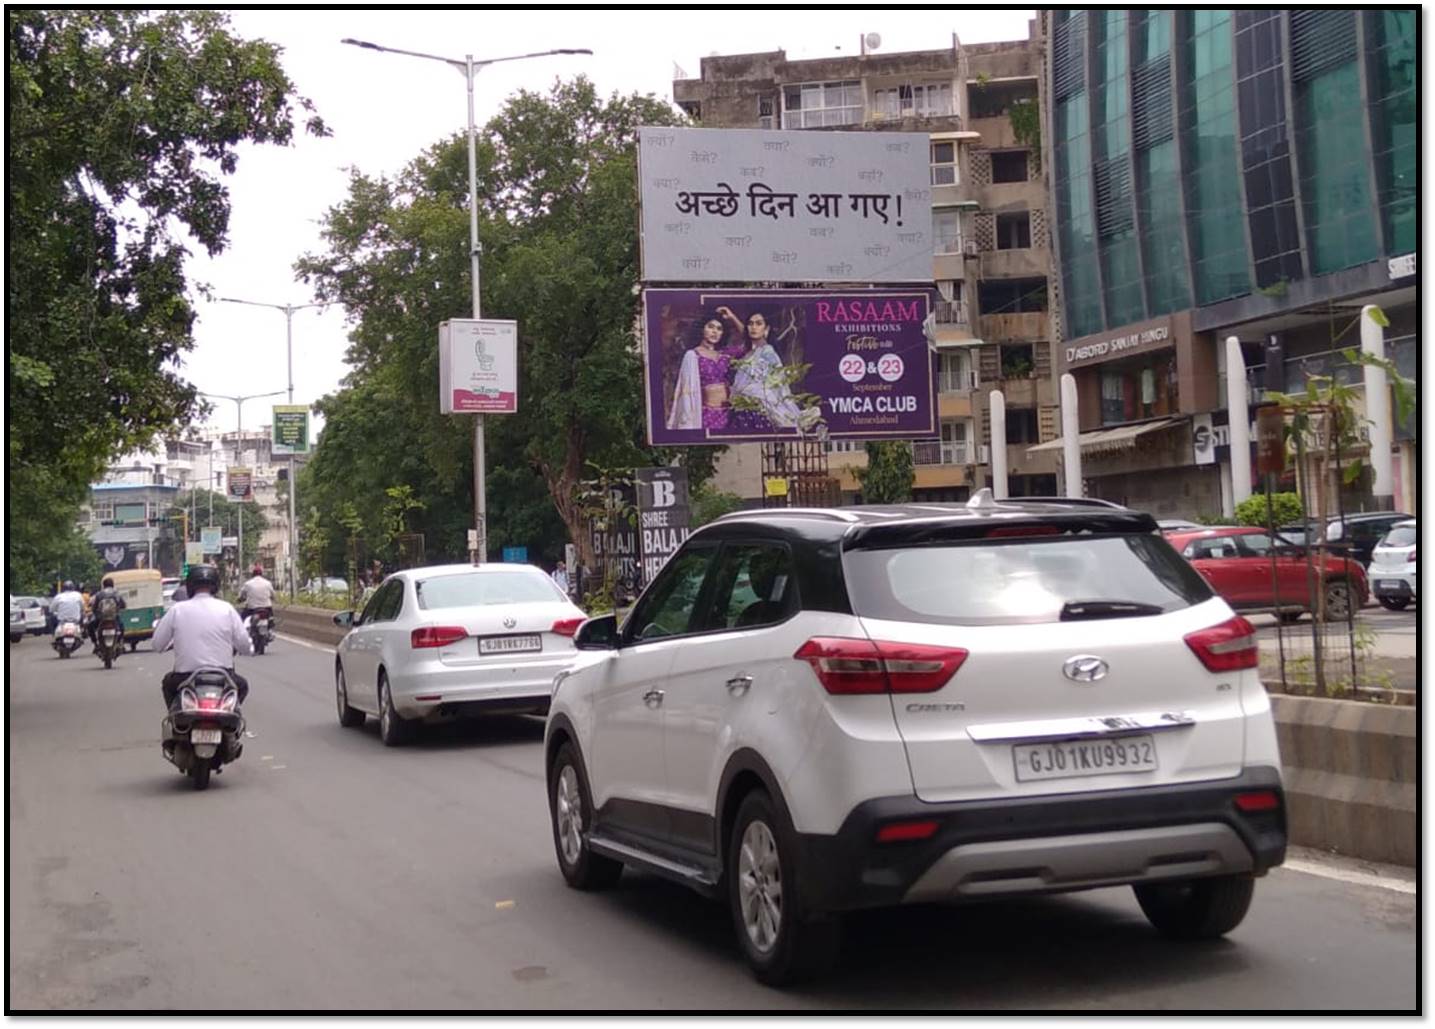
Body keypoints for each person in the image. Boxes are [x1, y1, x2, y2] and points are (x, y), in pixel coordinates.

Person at [152, 564, 251, 710]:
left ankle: (175, 721)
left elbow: (157, 645)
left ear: (190, 585)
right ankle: (232, 722)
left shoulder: (177, 610)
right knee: (242, 686)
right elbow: (245, 646)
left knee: (168, 684)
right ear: (216, 585)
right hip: (223, 677)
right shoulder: (227, 609)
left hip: (184, 677)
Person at [715, 305, 805, 434]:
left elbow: (778, 384)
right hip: (741, 409)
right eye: (750, 324)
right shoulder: (749, 352)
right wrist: (732, 317)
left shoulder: (768, 352)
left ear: (766, 329)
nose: (754, 327)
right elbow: (748, 337)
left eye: (758, 324)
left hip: (757, 412)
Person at [667, 310, 737, 431]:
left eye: (719, 329)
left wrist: (732, 317)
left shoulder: (726, 355)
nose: (715, 332)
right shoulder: (693, 355)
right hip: (706, 415)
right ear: (701, 329)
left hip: (728, 416)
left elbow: (751, 346)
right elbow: (686, 392)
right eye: (711, 327)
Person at [87, 576, 127, 644]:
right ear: (113, 585)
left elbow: (94, 607)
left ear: (103, 585)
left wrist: (95, 612)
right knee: (122, 627)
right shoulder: (116, 593)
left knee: (90, 626)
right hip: (114, 617)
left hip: (101, 618)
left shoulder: (99, 594)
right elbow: (123, 605)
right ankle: (120, 642)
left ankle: (95, 643)